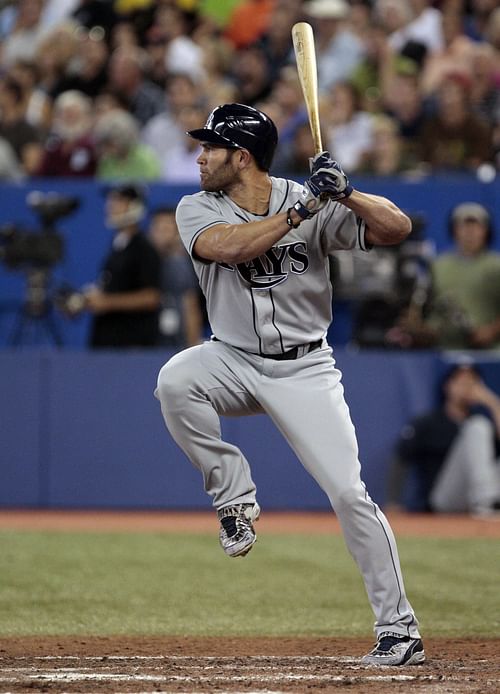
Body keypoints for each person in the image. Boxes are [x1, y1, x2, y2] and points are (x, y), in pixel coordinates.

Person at [154, 103, 424, 666]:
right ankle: (234, 498)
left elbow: (397, 228)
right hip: (231, 357)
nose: (200, 158)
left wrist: (346, 192)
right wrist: (303, 210)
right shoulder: (195, 206)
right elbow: (231, 247)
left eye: (211, 148)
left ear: (242, 156)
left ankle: (399, 630)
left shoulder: (316, 200)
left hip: (306, 369)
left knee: (350, 494)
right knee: (177, 380)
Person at [395, 363, 500, 516]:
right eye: (461, 382)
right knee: (477, 427)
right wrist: (393, 501)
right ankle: (486, 503)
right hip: (445, 499)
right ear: (448, 385)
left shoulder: (483, 421)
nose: (467, 387)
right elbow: (401, 458)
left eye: (472, 382)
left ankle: (488, 503)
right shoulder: (429, 422)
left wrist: (492, 402)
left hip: (482, 494)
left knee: (478, 426)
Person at [395, 202, 500, 350]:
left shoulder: (495, 266)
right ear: (454, 230)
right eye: (463, 226)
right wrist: (419, 328)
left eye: (476, 226)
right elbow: (431, 312)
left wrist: (491, 331)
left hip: (490, 354)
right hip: (445, 352)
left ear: (486, 231)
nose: (469, 232)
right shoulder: (438, 266)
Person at [85, 184, 161, 349]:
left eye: (119, 200)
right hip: (108, 340)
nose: (110, 205)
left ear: (136, 206)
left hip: (130, 344)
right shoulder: (117, 244)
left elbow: (151, 297)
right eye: (111, 200)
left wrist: (106, 302)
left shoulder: (144, 248)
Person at [147, 207, 204, 349]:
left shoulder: (178, 264)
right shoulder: (149, 263)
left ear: (178, 233)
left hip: (177, 343)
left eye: (166, 229)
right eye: (157, 228)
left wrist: (192, 346)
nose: (160, 234)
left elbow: (190, 304)